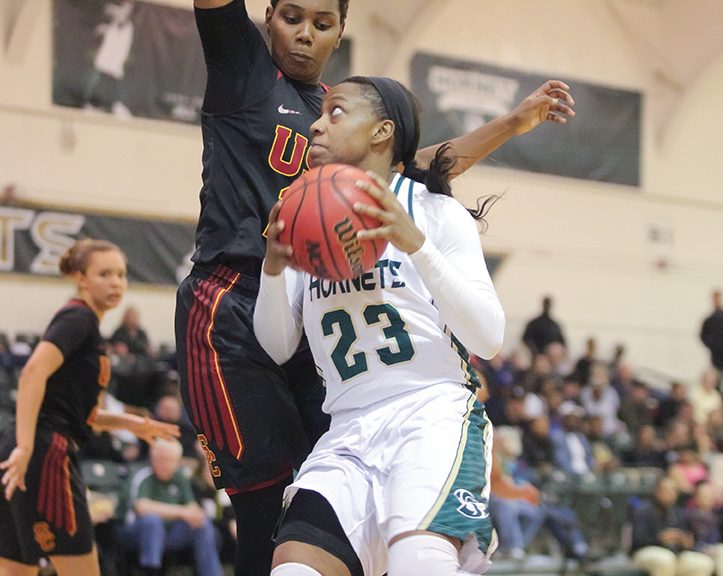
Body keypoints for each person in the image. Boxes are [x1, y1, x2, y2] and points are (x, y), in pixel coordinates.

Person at [180, 1, 575, 575]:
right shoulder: (246, 68)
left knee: (362, 523)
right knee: (268, 509)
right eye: (291, 17)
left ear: (342, 31)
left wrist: (512, 125)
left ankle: (443, 538)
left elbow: (409, 170)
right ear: (267, 16)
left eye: (322, 22)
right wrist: (274, 265)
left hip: (336, 311)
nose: (305, 34)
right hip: (236, 299)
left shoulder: (351, 147)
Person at [254, 75, 504, 576]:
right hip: (347, 429)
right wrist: (272, 269)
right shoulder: (305, 214)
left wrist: (417, 246)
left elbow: (489, 338)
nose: (317, 126)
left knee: (418, 562)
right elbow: (278, 345)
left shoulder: (433, 211)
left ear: (381, 131)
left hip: (430, 414)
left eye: (336, 112)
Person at [0, 238, 179, 576]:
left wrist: (133, 423)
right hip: (44, 451)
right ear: (81, 278)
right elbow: (32, 374)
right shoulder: (78, 318)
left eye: (121, 275)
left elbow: (86, 414)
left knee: (16, 570)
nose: (116, 283)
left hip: (27, 448)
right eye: (105, 274)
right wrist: (26, 447)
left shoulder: (86, 326)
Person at [119, 438, 223, 576]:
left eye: (169, 459)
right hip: (134, 532)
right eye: (160, 459)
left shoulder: (180, 478)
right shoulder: (143, 475)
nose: (164, 464)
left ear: (177, 462)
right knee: (152, 522)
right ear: (152, 458)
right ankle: (151, 572)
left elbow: (192, 508)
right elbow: (141, 507)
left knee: (202, 525)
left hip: (168, 534)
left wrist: (194, 514)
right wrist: (181, 512)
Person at [630, 476, 714, 576]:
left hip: (675, 553)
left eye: (673, 490)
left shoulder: (678, 513)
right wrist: (661, 538)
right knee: (665, 560)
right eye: (665, 490)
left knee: (702, 563)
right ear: (656, 491)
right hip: (645, 551)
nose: (669, 494)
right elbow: (638, 540)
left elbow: (688, 538)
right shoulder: (643, 510)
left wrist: (685, 541)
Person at [700, 289, 723, 374]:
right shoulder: (709, 320)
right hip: (716, 358)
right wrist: (713, 345)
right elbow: (703, 336)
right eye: (714, 299)